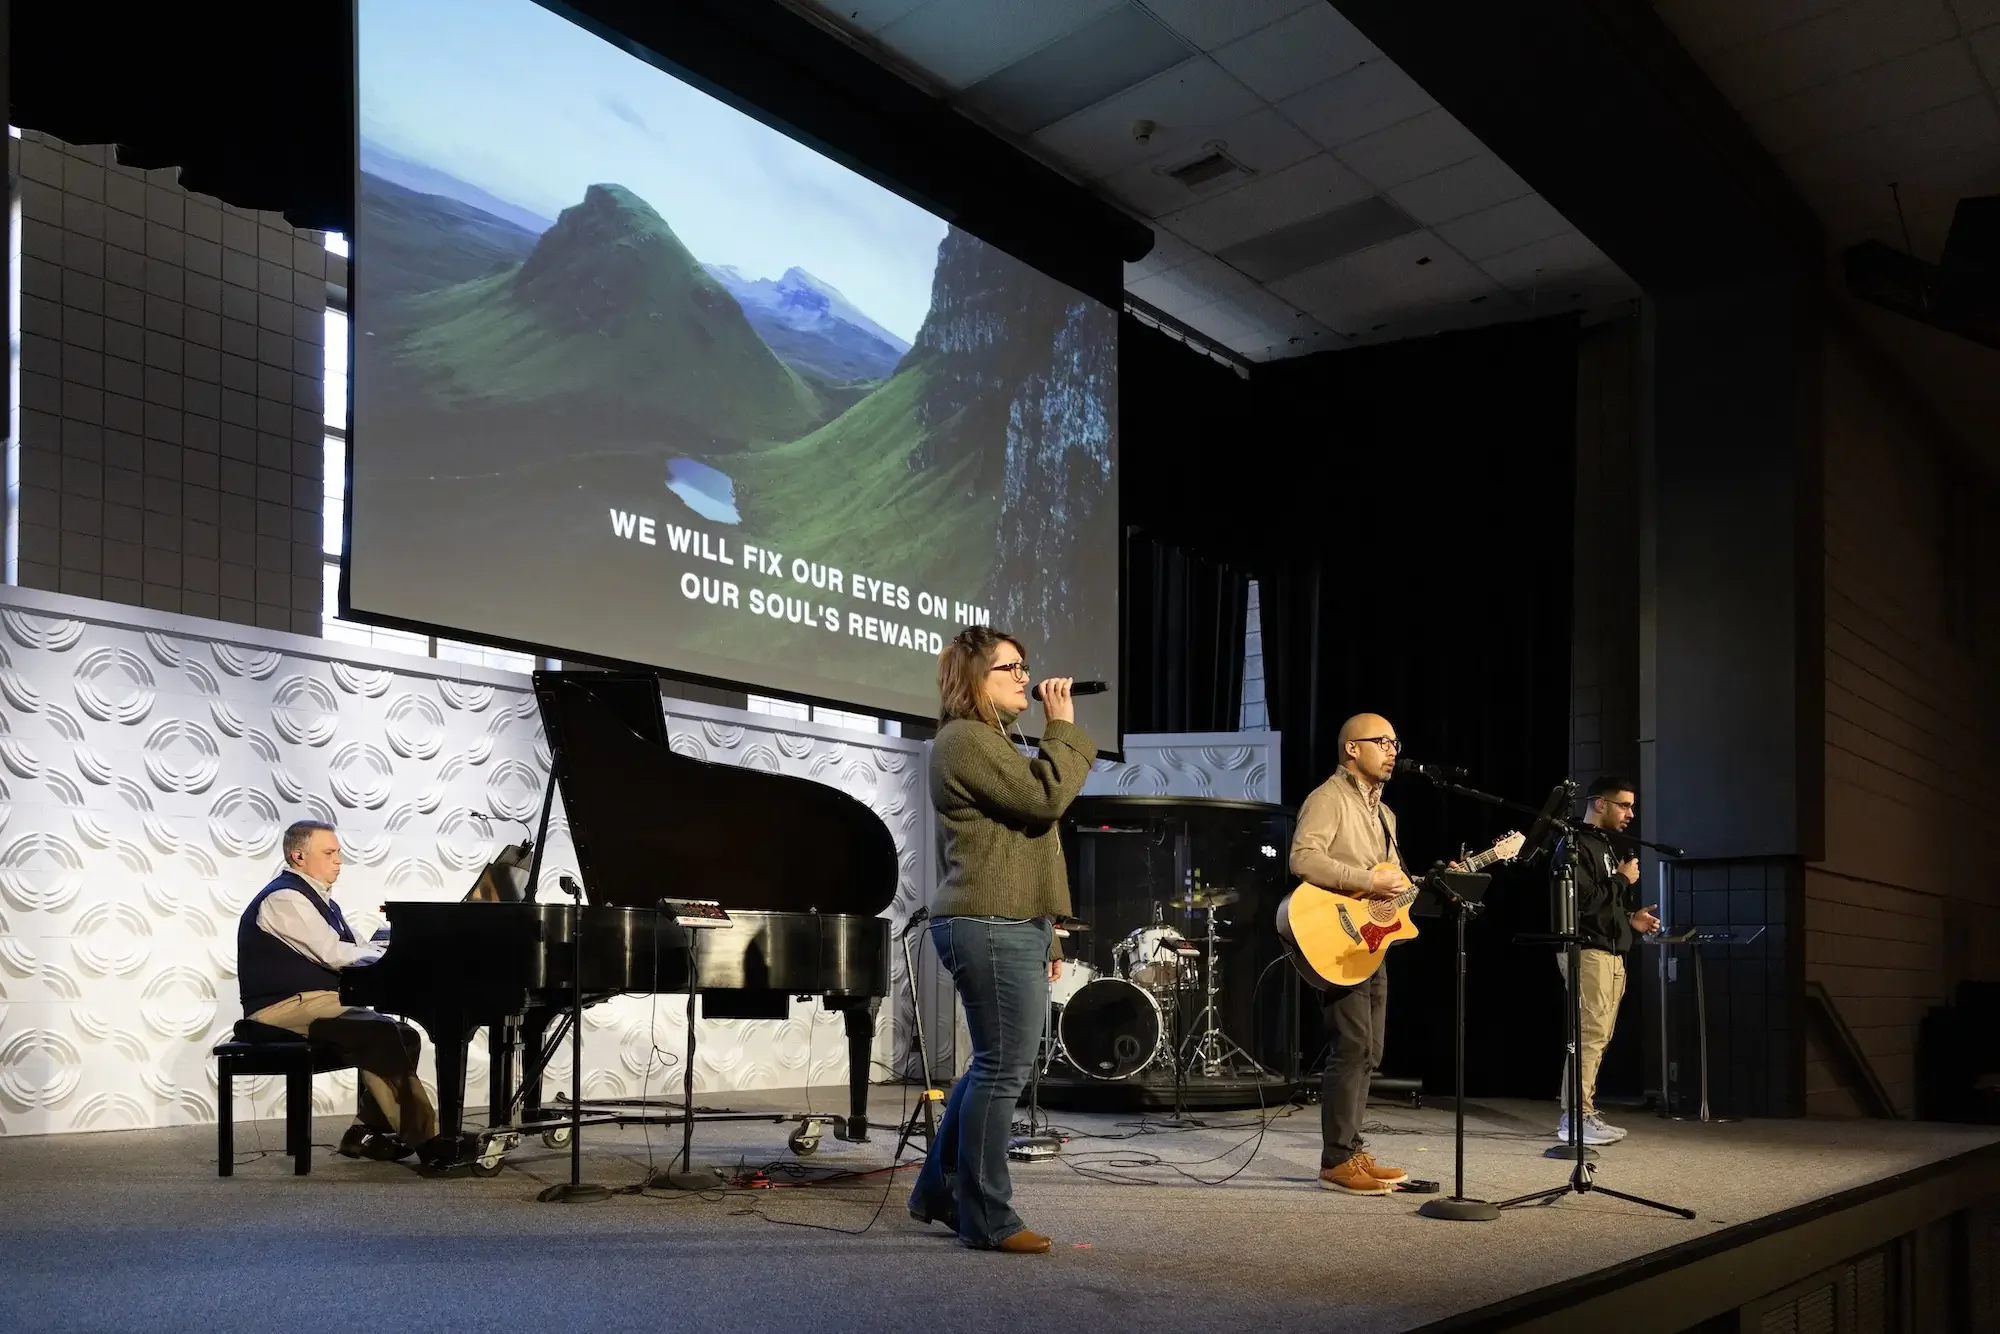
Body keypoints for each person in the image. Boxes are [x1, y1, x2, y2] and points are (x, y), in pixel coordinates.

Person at [908, 626, 1094, 1253]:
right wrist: (1063, 726)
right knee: (1003, 1068)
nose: (1026, 678)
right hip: (987, 921)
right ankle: (988, 1216)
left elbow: (1025, 850)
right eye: (1010, 668)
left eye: (1025, 667)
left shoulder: (991, 742)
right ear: (974, 681)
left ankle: (939, 1190)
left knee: (991, 1064)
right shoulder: (963, 740)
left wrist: (1049, 938)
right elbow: (1046, 801)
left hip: (1012, 922)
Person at [236, 820, 439, 1160]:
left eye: (338, 853)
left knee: (405, 1035)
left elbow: (351, 947)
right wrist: (389, 956)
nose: (338, 861)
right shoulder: (285, 898)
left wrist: (389, 954)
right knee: (380, 1032)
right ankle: (430, 1143)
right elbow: (333, 953)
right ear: (298, 856)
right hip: (282, 1008)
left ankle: (364, 1132)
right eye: (329, 853)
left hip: (316, 1002)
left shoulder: (323, 902)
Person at [1289, 713, 1415, 1196]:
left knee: (1370, 1051)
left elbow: (1391, 882)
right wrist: (1367, 880)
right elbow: (1303, 857)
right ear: (1351, 750)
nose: (1392, 750)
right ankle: (1337, 1160)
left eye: (1394, 742)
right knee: (1352, 1047)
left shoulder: (1385, 813)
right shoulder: (1328, 798)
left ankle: (1353, 1150)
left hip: (1370, 940)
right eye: (1381, 741)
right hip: (1335, 939)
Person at [1551, 776, 1660, 1145]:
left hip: (1610, 950)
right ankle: (1574, 1119)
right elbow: (1578, 902)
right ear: (1600, 803)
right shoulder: (1575, 842)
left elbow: (1600, 904)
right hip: (1588, 951)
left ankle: (1584, 1111)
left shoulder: (1603, 845)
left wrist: (1630, 919)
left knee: (1599, 1036)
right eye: (1624, 805)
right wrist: (1621, 880)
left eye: (1631, 806)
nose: (1630, 813)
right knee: (1588, 1036)